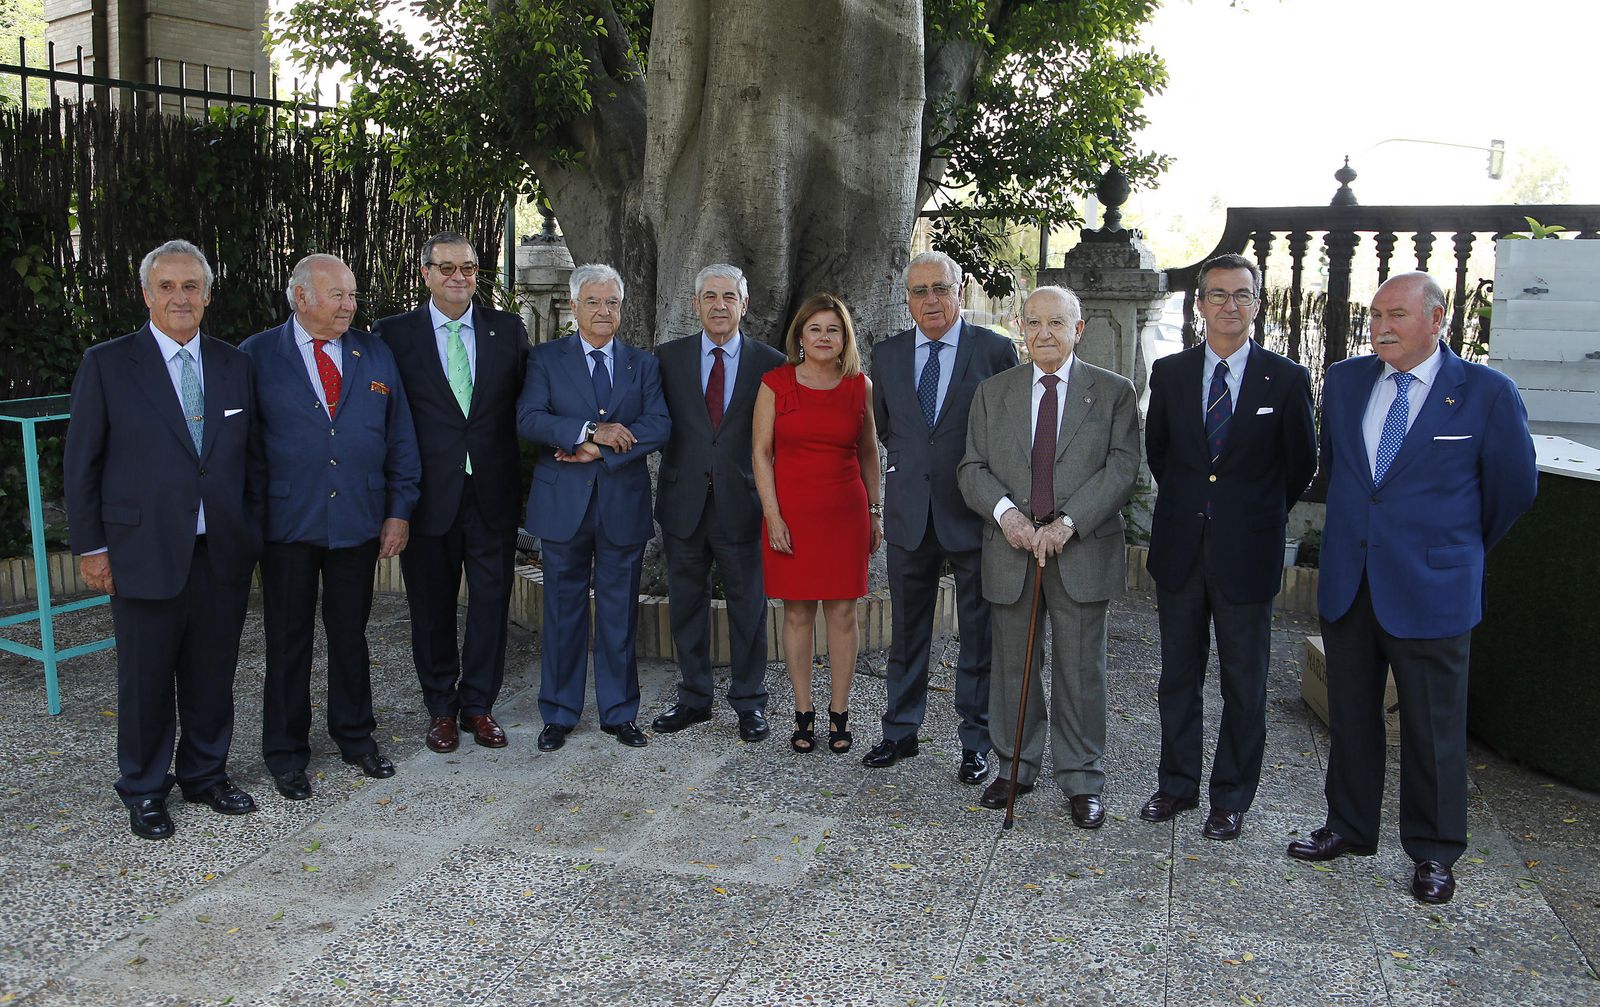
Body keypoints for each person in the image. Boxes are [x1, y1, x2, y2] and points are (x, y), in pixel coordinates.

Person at [1288, 271, 1537, 905]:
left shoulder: (1486, 393)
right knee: (1351, 715)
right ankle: (1349, 826)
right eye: (1375, 316)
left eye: (1396, 315)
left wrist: (1452, 551)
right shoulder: (1345, 381)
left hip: (1433, 588)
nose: (1381, 328)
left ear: (1436, 318)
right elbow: (1343, 472)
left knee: (1433, 727)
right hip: (1351, 582)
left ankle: (1433, 850)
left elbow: (1512, 490)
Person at [64, 239, 264, 839]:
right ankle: (145, 788)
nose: (181, 297)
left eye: (191, 286)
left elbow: (253, 460)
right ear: (147, 295)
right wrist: (92, 548)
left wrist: (249, 531)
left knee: (212, 674)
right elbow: (81, 465)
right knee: (146, 679)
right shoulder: (107, 364)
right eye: (168, 286)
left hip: (219, 551)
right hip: (141, 551)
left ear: (207, 295)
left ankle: (205, 774)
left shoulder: (234, 364)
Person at [1141, 254, 1317, 841]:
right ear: (1199, 304)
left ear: (1257, 304)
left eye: (1242, 295)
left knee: (1244, 682)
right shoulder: (1170, 373)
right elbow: (1161, 454)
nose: (1229, 305)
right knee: (1178, 676)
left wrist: (1248, 514)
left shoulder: (1286, 379)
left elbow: (1301, 465)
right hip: (1181, 549)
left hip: (1248, 553)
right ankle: (1176, 784)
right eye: (1217, 294)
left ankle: (1231, 797)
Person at [957, 285, 1139, 829]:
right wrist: (1009, 517)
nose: (1044, 334)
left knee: (1081, 669)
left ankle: (1082, 778)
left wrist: (1068, 523)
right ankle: (1014, 766)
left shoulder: (1113, 392)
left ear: (1077, 330)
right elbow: (972, 468)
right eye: (1033, 322)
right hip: (1012, 550)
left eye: (1056, 323)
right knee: (1014, 666)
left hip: (1081, 549)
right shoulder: (993, 393)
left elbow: (1122, 467)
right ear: (1021, 329)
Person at [241, 253, 420, 801]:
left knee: (350, 633)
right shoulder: (256, 355)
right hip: (286, 523)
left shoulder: (374, 351)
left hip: (357, 519)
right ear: (301, 297)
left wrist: (398, 509)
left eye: (352, 295)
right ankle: (286, 753)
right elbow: (242, 449)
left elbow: (400, 436)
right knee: (287, 639)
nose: (349, 305)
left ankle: (355, 736)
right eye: (338, 295)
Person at [863, 251, 1017, 785]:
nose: (930, 300)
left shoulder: (994, 350)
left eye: (940, 289)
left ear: (959, 290)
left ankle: (975, 742)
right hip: (910, 514)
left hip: (973, 514)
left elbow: (1008, 432)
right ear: (907, 299)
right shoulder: (886, 355)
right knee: (907, 631)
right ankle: (900, 730)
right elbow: (890, 429)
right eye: (919, 291)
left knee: (978, 635)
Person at [372, 234, 529, 753]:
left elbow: (528, 404)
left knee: (490, 604)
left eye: (468, 267)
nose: (458, 276)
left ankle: (479, 705)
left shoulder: (507, 329)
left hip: (492, 493)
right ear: (425, 273)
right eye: (446, 268)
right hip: (427, 495)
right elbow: (384, 418)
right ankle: (441, 707)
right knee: (430, 606)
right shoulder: (394, 334)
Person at [517, 263, 670, 752]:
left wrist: (599, 451)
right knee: (562, 612)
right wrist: (586, 432)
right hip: (563, 504)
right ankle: (559, 713)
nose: (604, 311)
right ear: (574, 305)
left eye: (612, 303)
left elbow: (659, 424)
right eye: (594, 302)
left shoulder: (642, 363)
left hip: (621, 504)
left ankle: (619, 712)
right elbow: (529, 418)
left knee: (619, 612)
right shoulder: (546, 358)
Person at [650, 264, 786, 742]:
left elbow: (781, 439)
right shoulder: (667, 359)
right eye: (709, 296)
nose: (719, 305)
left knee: (748, 608)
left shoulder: (771, 362)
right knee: (686, 605)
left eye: (729, 297)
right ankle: (694, 697)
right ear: (695, 305)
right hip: (683, 503)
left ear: (744, 305)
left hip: (742, 504)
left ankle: (749, 702)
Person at [753, 293, 882, 755]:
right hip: (791, 516)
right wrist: (772, 515)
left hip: (845, 513)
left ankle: (840, 714)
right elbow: (760, 454)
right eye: (816, 329)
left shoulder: (860, 386)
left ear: (845, 338)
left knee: (843, 614)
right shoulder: (775, 384)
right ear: (800, 337)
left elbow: (869, 451)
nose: (824, 337)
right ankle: (803, 713)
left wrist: (875, 512)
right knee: (797, 613)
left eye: (833, 330)